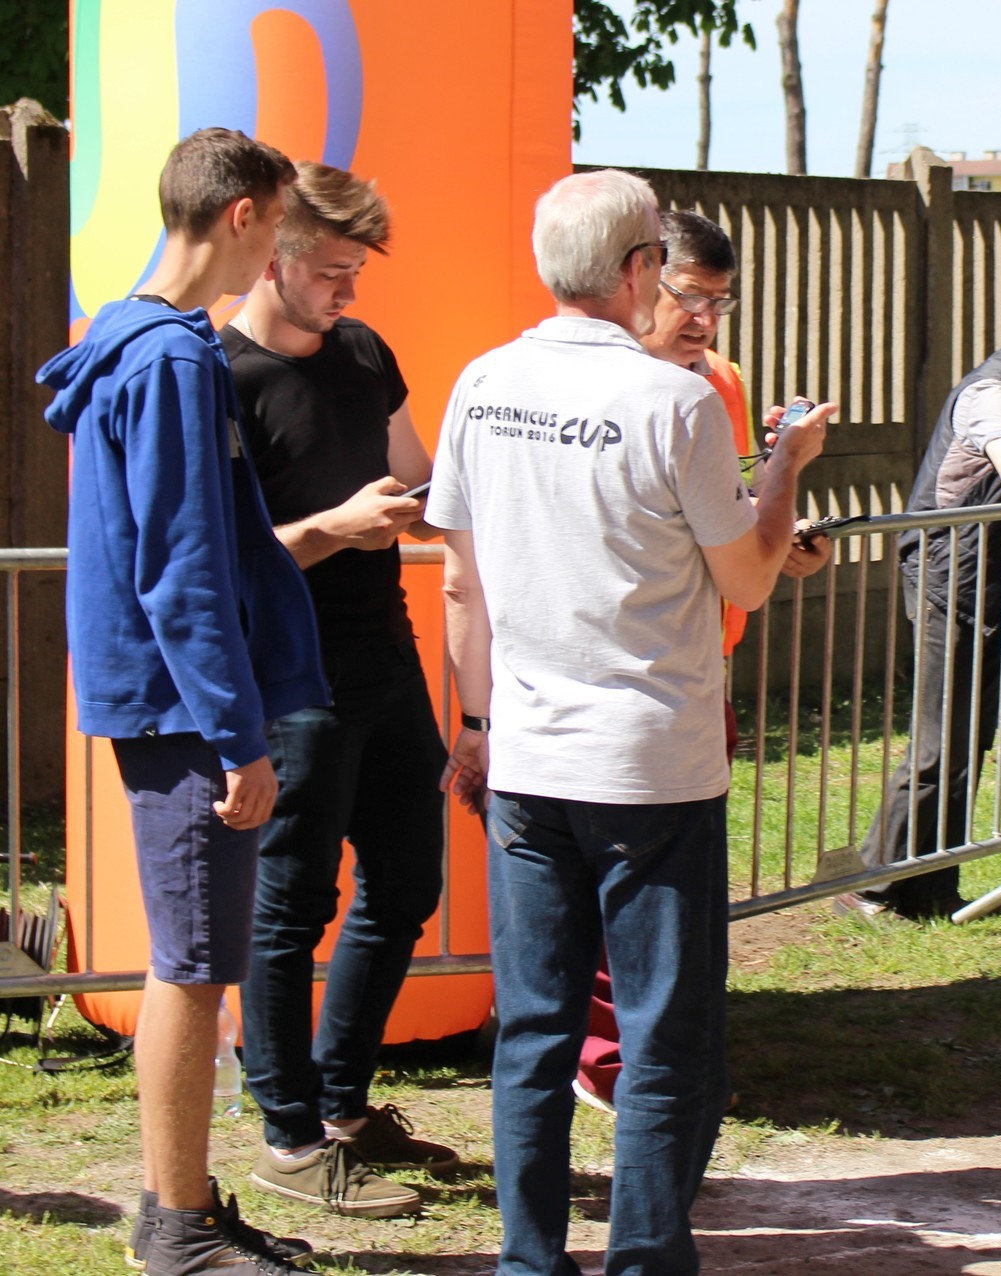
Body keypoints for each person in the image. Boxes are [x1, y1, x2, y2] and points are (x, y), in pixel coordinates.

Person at [427, 169, 828, 1276]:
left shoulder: (482, 383)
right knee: (662, 1032)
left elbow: (461, 582)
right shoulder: (676, 403)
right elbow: (747, 578)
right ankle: (645, 1257)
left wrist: (474, 721)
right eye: (660, 259)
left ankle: (529, 1260)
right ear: (638, 268)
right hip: (650, 764)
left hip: (528, 753)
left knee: (535, 1029)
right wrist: (786, 468)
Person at [38, 129, 328, 1276]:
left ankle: (187, 1205)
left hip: (168, 701)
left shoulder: (144, 336)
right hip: (182, 710)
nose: (282, 251)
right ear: (242, 215)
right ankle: (175, 1229)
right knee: (194, 966)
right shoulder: (167, 359)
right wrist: (236, 734)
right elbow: (180, 565)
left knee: (196, 959)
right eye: (281, 224)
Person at [221, 161, 458, 1217]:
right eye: (329, 271)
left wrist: (429, 501)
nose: (347, 292)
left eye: (356, 271)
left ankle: (341, 1103)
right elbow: (220, 561)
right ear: (271, 255)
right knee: (291, 906)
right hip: (289, 675)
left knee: (406, 882)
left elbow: (418, 475)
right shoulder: (221, 377)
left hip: (384, 655)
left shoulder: (364, 350)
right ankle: (286, 1135)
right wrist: (334, 528)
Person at [572, 208, 830, 1113]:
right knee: (608, 881)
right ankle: (603, 1059)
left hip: (701, 667)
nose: (704, 320)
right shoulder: (591, 381)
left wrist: (785, 531)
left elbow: (730, 517)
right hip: (609, 672)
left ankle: (665, 1054)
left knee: (679, 885)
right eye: (689, 296)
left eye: (721, 302)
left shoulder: (720, 383)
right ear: (640, 279)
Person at [838, 285, 1001, 923]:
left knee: (973, 733)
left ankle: (932, 887)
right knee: (943, 737)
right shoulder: (993, 392)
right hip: (950, 573)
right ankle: (869, 884)